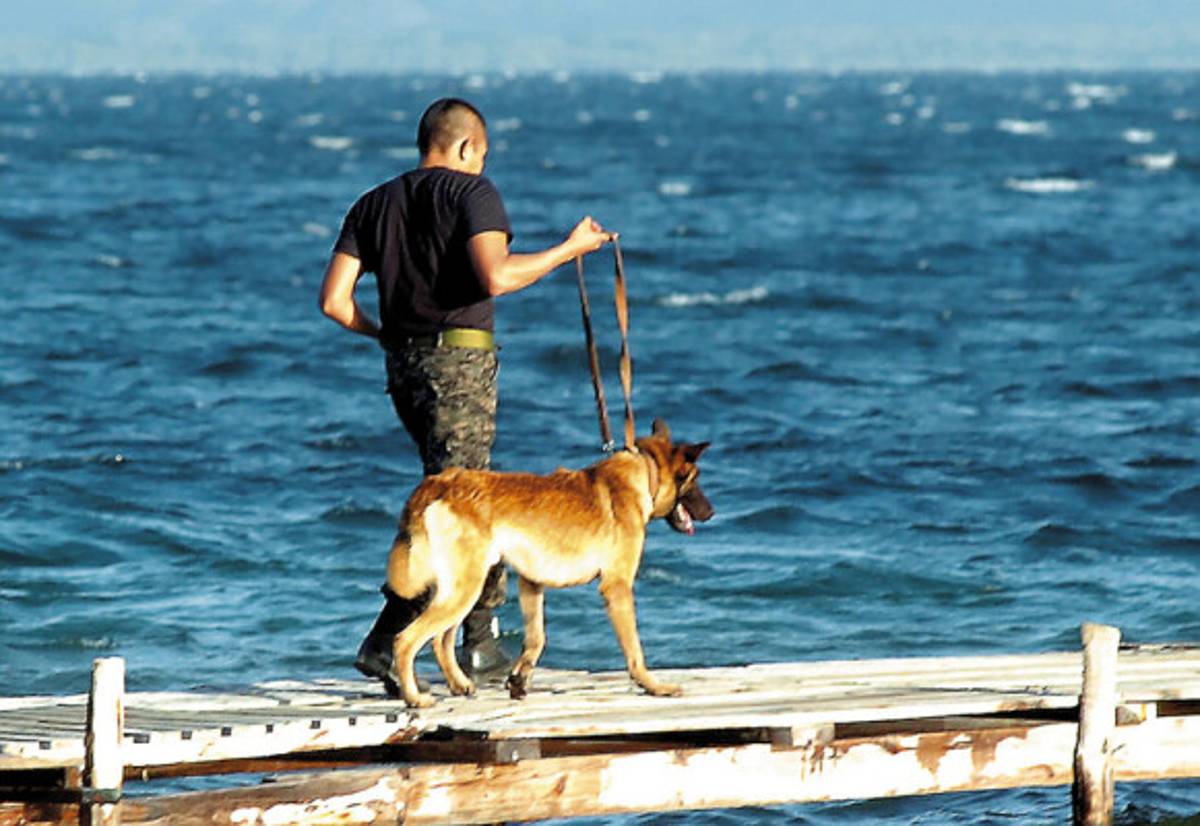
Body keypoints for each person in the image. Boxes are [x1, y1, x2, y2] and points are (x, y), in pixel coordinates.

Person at [319, 97, 612, 694]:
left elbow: (334, 302)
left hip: (402, 364)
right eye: (481, 156)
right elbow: (496, 276)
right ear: (466, 147)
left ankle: (434, 639)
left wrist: (382, 335)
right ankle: (449, 643)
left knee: (448, 496)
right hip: (460, 362)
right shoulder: (473, 193)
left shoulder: (372, 203)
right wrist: (568, 250)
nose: (481, 166)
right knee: (473, 501)